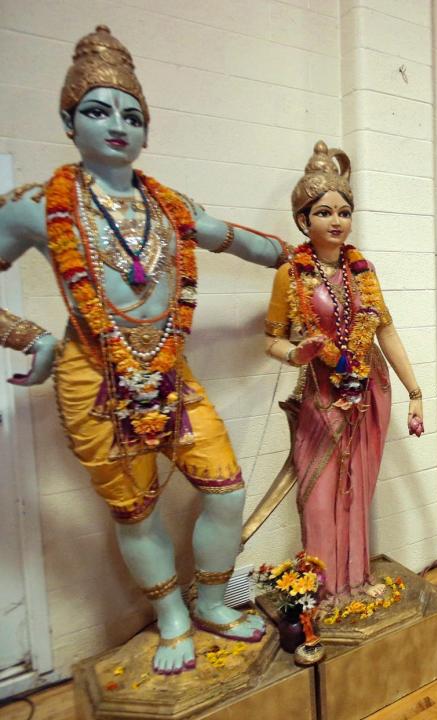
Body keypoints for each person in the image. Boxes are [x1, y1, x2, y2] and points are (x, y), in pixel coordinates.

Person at [0, 27, 286, 674]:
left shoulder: (168, 205)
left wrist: (295, 255)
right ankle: (173, 618)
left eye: (132, 115)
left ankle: (211, 601)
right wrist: (32, 337)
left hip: (168, 372)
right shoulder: (38, 208)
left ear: (147, 131)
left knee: (226, 490)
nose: (118, 126)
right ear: (68, 121)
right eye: (99, 111)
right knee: (136, 509)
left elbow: (228, 238)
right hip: (92, 378)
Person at [263, 141, 424, 597]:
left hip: (369, 389)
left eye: (344, 212)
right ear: (303, 220)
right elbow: (271, 339)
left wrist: (415, 393)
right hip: (321, 391)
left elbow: (386, 332)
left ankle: (356, 579)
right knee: (319, 493)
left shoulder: (362, 272)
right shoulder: (290, 276)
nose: (336, 221)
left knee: (357, 490)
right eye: (324, 212)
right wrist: (295, 355)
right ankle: (323, 586)